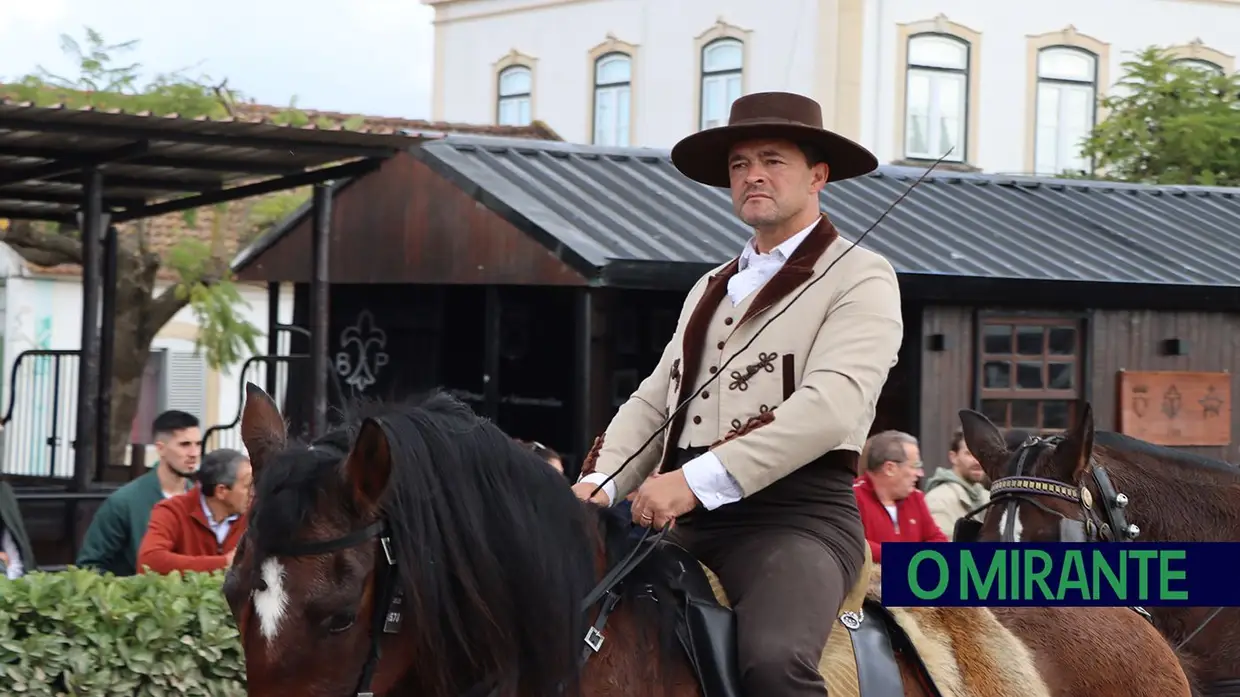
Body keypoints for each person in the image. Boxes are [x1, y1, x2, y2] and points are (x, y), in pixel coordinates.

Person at [572, 92, 903, 697]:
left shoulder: (862, 275)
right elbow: (655, 398)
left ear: (817, 175)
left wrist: (692, 480)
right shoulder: (708, 285)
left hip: (796, 522)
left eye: (772, 160)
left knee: (773, 665)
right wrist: (602, 482)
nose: (753, 175)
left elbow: (831, 407)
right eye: (739, 164)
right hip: (686, 522)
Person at [76, 410, 202, 576]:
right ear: (160, 448)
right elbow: (89, 567)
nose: (194, 453)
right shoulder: (124, 502)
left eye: (198, 444)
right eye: (184, 444)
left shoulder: (204, 500)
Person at [137, 448, 251, 574]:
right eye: (248, 486)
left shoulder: (256, 516)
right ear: (221, 491)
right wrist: (223, 563)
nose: (254, 492)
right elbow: (149, 561)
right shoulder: (172, 510)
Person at [852, 430, 947, 563]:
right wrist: (908, 558)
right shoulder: (852, 498)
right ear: (890, 468)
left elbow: (939, 540)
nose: (920, 473)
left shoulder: (916, 498)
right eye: (915, 466)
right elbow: (855, 545)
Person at [924, 428, 991, 538]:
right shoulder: (938, 499)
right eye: (969, 453)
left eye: (982, 453)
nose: (977, 461)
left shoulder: (989, 498)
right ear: (953, 457)